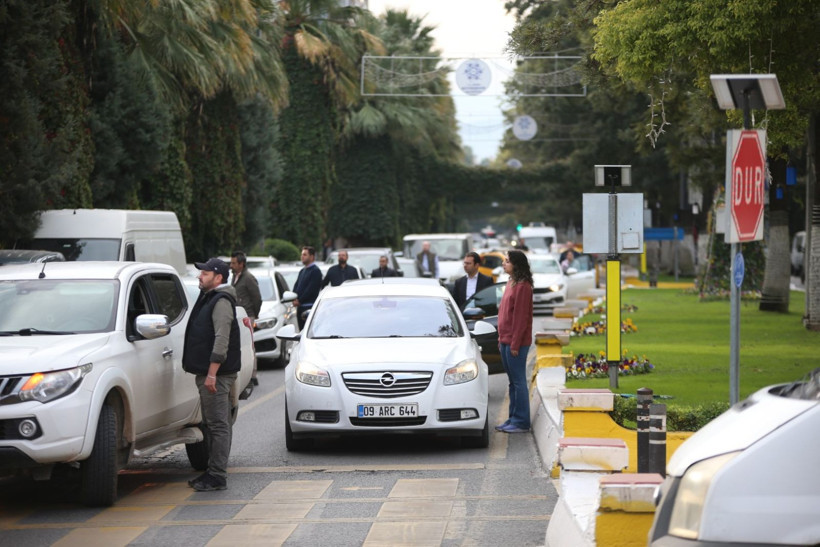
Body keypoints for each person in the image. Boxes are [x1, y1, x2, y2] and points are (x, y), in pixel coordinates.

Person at [182, 258, 242, 491]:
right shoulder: (210, 297)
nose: (199, 276)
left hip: (218, 374)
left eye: (205, 273)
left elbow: (221, 339)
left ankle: (217, 476)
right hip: (213, 372)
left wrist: (212, 374)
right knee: (215, 423)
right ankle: (213, 472)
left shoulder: (221, 301)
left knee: (217, 425)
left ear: (218, 278)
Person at [496, 250, 534, 434]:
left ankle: (521, 421)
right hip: (505, 339)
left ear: (516, 265)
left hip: (515, 342)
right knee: (512, 382)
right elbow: (504, 312)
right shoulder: (510, 282)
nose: (504, 264)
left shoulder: (523, 286)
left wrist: (515, 343)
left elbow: (521, 318)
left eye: (507, 261)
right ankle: (512, 418)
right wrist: (500, 338)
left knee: (519, 382)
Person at [229, 251, 262, 386]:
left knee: (249, 345)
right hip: (237, 315)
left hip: (247, 316)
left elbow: (257, 298)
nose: (231, 266)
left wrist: (253, 314)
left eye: (233, 263)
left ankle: (252, 374)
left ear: (241, 264)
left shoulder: (248, 278)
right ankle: (244, 373)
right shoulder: (234, 277)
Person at [292, 246, 322, 330]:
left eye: (305, 255)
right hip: (300, 307)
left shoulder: (315, 271)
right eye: (302, 254)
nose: (302, 256)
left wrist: (300, 300)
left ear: (312, 257)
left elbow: (311, 289)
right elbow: (296, 286)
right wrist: (294, 298)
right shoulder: (302, 271)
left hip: (309, 307)